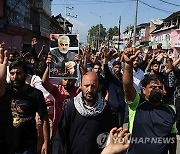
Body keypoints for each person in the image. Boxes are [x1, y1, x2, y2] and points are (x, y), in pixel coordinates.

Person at [123, 47, 176, 154]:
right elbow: (128, 88)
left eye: (160, 88)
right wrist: (128, 65)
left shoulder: (169, 111)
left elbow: (172, 138)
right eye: (152, 87)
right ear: (143, 90)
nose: (157, 90)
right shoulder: (137, 104)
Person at [52, 72, 116, 154]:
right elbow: (60, 137)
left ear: (98, 87)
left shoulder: (104, 109)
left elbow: (109, 137)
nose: (89, 90)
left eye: (93, 86)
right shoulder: (71, 106)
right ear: (81, 86)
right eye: (87, 86)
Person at [0, 49, 50, 153]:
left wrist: (45, 142)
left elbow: (44, 118)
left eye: (18, 73)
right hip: (7, 145)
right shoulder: (5, 90)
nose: (15, 77)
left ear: (25, 74)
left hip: (27, 146)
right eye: (12, 73)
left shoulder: (35, 94)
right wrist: (2, 70)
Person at [42, 54, 80, 137]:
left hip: (73, 130)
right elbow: (44, 83)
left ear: (75, 80)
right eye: (65, 79)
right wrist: (49, 67)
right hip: (58, 131)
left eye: (70, 80)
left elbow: (86, 83)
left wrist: (80, 65)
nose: (67, 82)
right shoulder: (57, 90)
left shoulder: (78, 92)